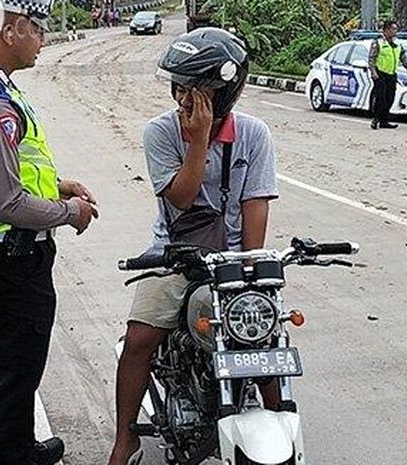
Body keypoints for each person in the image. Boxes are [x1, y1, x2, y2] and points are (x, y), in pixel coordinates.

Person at [107, 28, 279, 465]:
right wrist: (199, 140)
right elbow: (180, 198)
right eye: (178, 87)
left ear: (222, 93)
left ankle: (277, 422)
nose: (182, 98)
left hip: (231, 263)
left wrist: (248, 271)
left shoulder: (255, 135)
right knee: (139, 339)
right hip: (174, 257)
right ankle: (124, 438)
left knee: (264, 338)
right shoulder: (160, 132)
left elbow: (255, 206)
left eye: (194, 90)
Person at [0, 0, 99, 463]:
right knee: (18, 365)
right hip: (13, 256)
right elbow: (7, 202)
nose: (42, 40)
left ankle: (18, 444)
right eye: (37, 30)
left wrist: (57, 184)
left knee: (16, 359)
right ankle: (12, 455)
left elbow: (8, 172)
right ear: (10, 32)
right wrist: (69, 212)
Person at [368, 19, 407, 130]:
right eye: (393, 29)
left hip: (392, 73)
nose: (395, 32)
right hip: (380, 73)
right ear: (386, 30)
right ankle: (376, 119)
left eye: (396, 29)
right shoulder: (378, 42)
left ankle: (384, 121)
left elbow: (403, 56)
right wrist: (373, 72)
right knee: (381, 98)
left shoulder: (397, 43)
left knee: (390, 98)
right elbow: (372, 58)